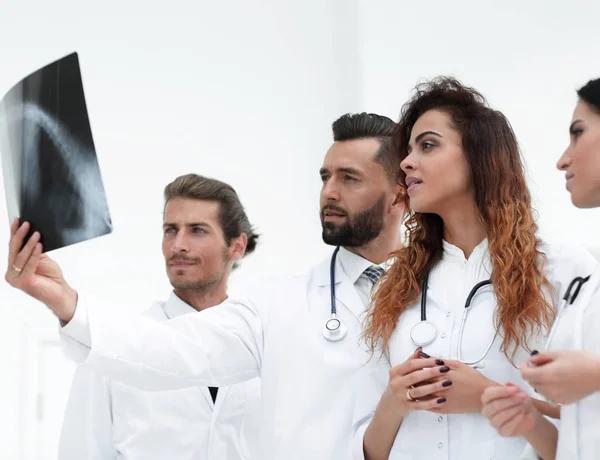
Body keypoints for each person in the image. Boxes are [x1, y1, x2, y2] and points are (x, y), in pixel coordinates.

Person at [5, 112, 405, 460]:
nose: (329, 191)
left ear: (400, 195)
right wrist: (67, 303)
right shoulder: (274, 308)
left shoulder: (446, 293)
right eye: (325, 177)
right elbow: (166, 350)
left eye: (349, 178)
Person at [350, 77, 597, 460]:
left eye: (428, 145)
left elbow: (584, 435)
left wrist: (486, 395)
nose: (406, 162)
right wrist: (394, 401)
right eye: (409, 150)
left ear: (479, 156)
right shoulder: (392, 286)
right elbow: (364, 448)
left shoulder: (562, 270)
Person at [57, 173, 262, 460]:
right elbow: (80, 451)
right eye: (170, 230)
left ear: (237, 246)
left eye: (197, 230)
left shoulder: (265, 345)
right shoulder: (111, 347)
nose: (178, 244)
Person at [481, 78, 600, 459]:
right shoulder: (588, 283)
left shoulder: (570, 265)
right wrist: (530, 418)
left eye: (578, 134)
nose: (563, 159)